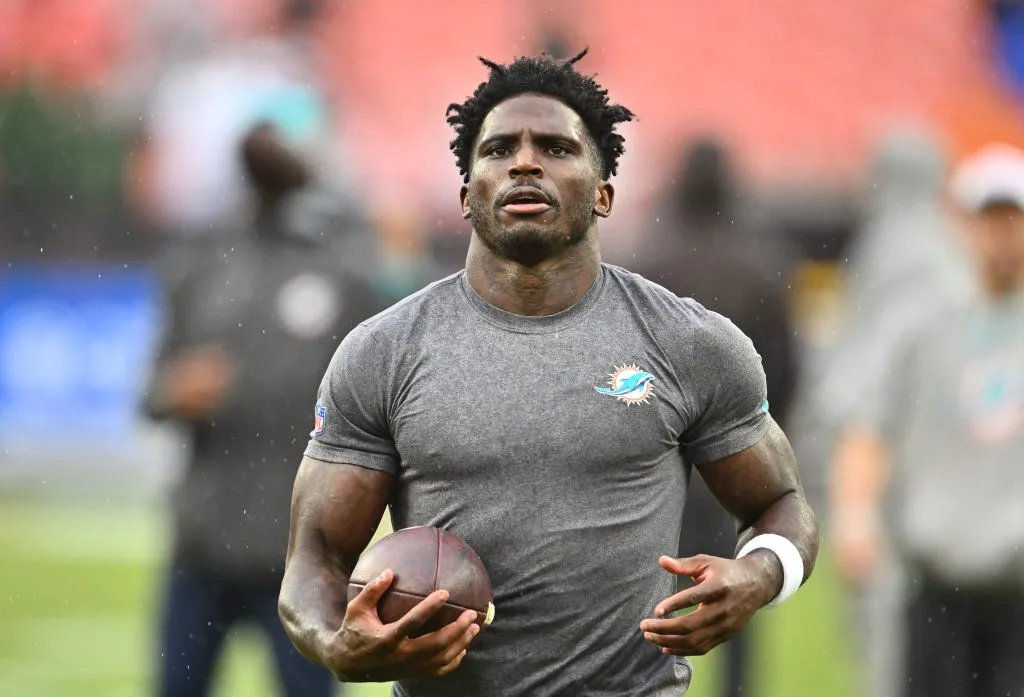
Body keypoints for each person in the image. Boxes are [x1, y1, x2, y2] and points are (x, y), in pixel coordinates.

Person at [278, 50, 820, 697]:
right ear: (465, 193)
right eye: (500, 148)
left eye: (556, 147)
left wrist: (762, 573)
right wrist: (337, 639)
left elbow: (781, 503)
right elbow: (315, 557)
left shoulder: (688, 341)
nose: (526, 161)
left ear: (603, 192)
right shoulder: (383, 351)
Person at [143, 121, 380, 697]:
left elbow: (385, 397)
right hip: (201, 542)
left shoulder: (347, 273)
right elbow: (149, 393)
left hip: (301, 549)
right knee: (177, 686)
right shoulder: (201, 266)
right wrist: (174, 391)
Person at [830, 143, 1024, 697]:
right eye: (991, 219)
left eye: (1014, 219)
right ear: (964, 224)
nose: (1003, 235)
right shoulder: (922, 325)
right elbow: (869, 423)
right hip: (937, 576)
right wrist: (857, 512)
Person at [634, 137, 800, 697]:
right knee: (739, 594)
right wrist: (769, 432)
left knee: (644, 602)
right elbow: (787, 366)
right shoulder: (763, 263)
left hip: (653, 462)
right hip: (736, 458)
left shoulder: (644, 261)